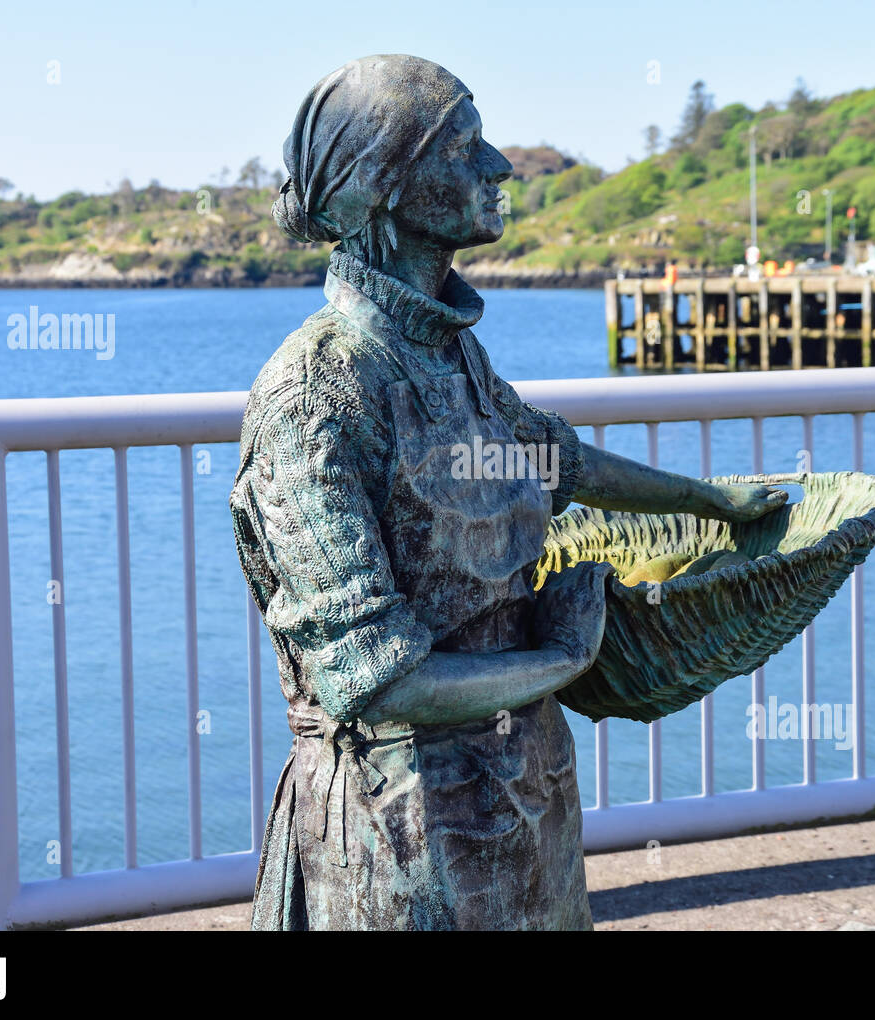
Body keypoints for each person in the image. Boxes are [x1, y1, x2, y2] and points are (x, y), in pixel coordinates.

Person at [230, 54, 787, 931]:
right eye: (465, 147)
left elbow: (547, 461)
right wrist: (564, 660)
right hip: (398, 830)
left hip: (523, 795)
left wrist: (713, 503)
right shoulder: (316, 394)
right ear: (384, 186)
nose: (499, 168)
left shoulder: (450, 354)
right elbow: (375, 682)